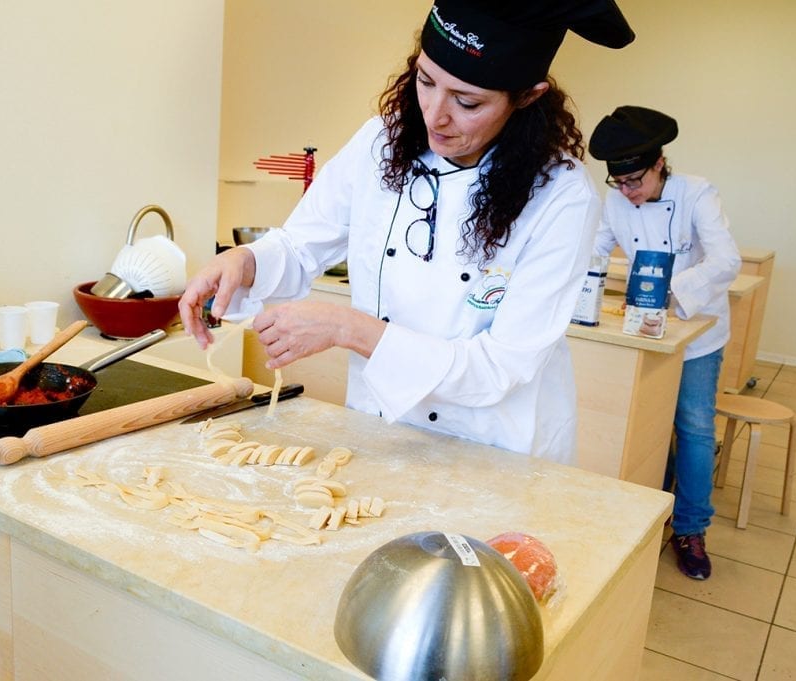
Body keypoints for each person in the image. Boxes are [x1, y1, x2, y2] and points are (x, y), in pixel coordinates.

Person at [180, 1, 635, 464]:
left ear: (528, 97)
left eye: (467, 101)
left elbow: (501, 367)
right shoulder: (382, 141)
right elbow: (299, 246)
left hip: (492, 447)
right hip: (378, 427)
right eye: (425, 81)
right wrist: (246, 262)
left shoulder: (560, 195)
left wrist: (346, 328)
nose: (434, 116)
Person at [589, 106, 742, 579]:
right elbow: (594, 249)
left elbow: (727, 261)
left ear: (658, 163)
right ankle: (657, 509)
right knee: (652, 421)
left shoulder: (697, 193)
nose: (628, 193)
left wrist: (672, 292)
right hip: (643, 331)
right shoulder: (618, 201)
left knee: (694, 427)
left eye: (635, 180)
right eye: (619, 184)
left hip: (696, 329)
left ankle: (692, 529)